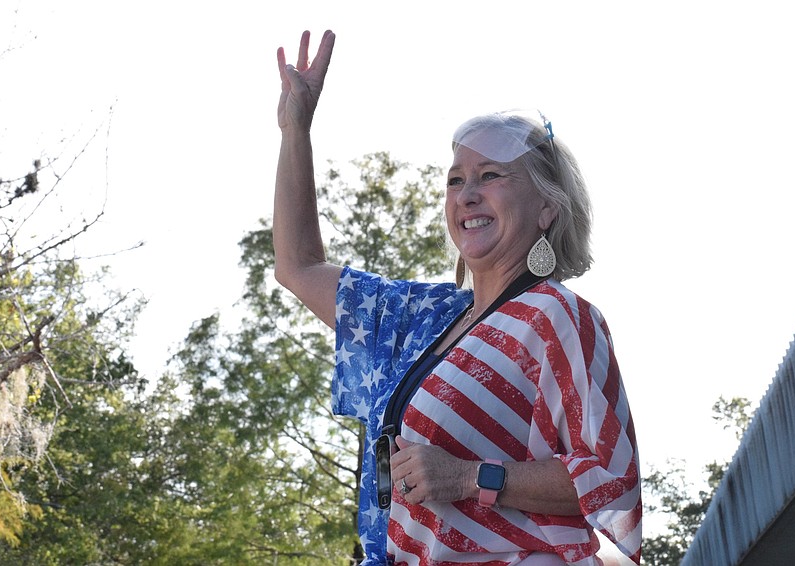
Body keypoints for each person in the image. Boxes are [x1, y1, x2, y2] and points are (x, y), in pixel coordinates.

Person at [274, 30, 642, 566]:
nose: (467, 193)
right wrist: (295, 129)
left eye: (490, 176)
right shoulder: (425, 320)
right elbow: (297, 265)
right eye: (455, 180)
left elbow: (611, 481)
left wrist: (471, 476)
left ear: (547, 209)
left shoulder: (557, 317)